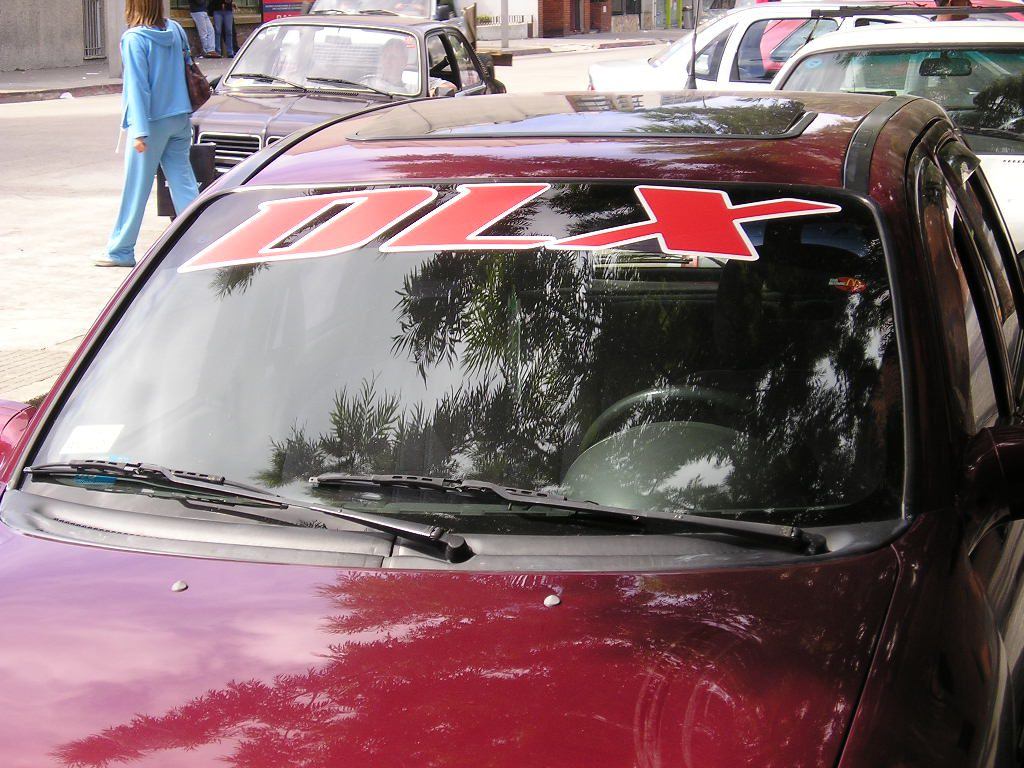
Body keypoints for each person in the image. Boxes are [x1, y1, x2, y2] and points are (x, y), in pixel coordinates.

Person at [96, 0, 199, 268]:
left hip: (150, 125)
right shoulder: (175, 30)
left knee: (136, 188)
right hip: (180, 118)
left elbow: (138, 87)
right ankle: (203, 240)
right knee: (184, 184)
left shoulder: (134, 39)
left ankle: (121, 251)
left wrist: (139, 132)